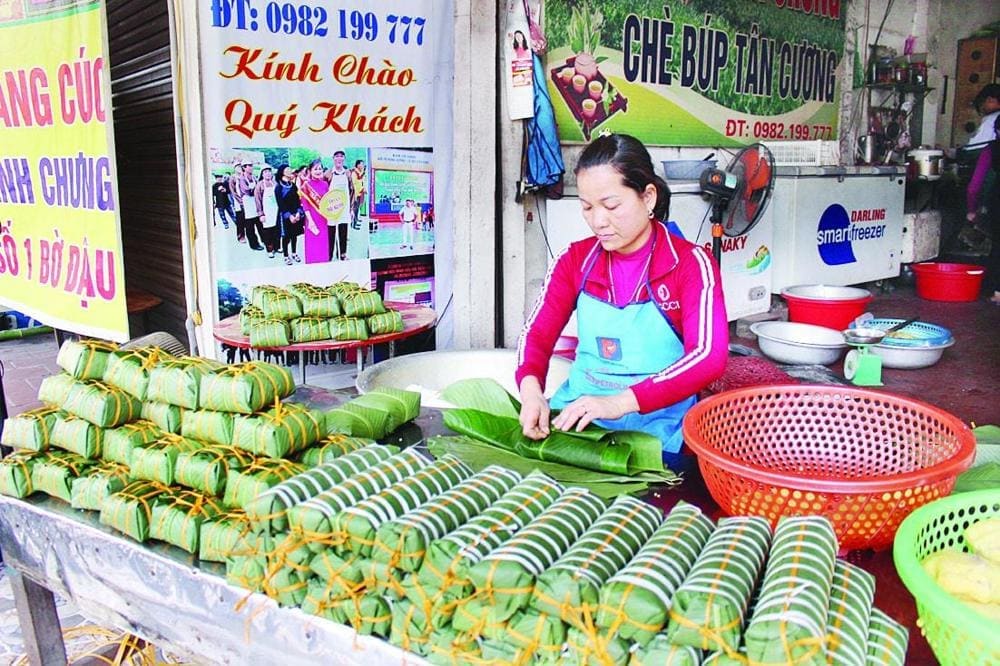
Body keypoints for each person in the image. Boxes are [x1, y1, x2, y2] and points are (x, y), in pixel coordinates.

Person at [515, 133, 728, 469]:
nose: (598, 220)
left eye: (611, 205)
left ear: (648, 197)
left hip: (660, 434)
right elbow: (536, 336)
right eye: (586, 207)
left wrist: (618, 403)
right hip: (578, 427)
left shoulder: (690, 264)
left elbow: (708, 357)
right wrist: (531, 393)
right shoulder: (575, 261)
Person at [966, 113, 1000, 305]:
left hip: (997, 202)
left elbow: (974, 186)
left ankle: (997, 292)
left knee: (998, 247)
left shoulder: (991, 150)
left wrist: (972, 210)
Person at [299, 159, 332, 263]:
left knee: (323, 244)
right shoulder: (305, 186)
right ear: (310, 171)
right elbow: (305, 206)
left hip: (323, 219)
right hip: (312, 219)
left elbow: (328, 201)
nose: (318, 171)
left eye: (320, 169)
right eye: (315, 169)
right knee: (312, 246)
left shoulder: (325, 184)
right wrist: (311, 221)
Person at [327, 150, 355, 259]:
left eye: (341, 156)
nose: (339, 158)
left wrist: (351, 209)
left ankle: (343, 254)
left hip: (344, 208)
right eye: (337, 156)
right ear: (333, 159)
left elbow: (352, 191)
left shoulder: (348, 173)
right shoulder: (328, 174)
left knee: (343, 232)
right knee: (331, 233)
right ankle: (329, 255)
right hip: (331, 208)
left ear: (344, 159)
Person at [274, 164, 304, 265]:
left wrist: (298, 213)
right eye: (287, 169)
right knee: (286, 236)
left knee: (294, 235)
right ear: (282, 172)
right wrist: (289, 216)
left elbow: (298, 201)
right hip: (285, 215)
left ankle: (294, 253)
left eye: (289, 168)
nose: (289, 170)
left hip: (295, 213)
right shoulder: (278, 188)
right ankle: (286, 255)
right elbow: (280, 204)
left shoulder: (293, 185)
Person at [965, 84, 1000, 152]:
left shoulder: (992, 119)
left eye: (982, 103)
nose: (982, 109)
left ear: (990, 100)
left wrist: (955, 153)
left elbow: (974, 149)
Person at [237, 162, 264, 250]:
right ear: (244, 167)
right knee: (250, 227)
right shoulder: (242, 179)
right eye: (249, 166)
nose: (251, 167)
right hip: (248, 205)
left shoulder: (254, 177)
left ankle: (265, 241)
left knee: (260, 224)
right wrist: (255, 190)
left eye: (252, 166)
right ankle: (254, 244)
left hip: (255, 203)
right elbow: (247, 191)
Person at [254, 166, 279, 258]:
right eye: (265, 172)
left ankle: (277, 247)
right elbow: (258, 200)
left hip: (275, 211)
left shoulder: (275, 183)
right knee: (267, 231)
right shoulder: (260, 185)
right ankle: (270, 249)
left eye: (269, 171)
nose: (268, 173)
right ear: (262, 174)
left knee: (276, 230)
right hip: (266, 212)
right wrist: (261, 214)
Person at [350, 159, 366, 231]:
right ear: (358, 165)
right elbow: (354, 185)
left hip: (360, 193)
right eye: (361, 164)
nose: (362, 165)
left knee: (357, 209)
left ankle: (355, 222)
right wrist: (355, 195)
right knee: (354, 209)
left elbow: (361, 182)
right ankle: (353, 224)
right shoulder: (354, 173)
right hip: (356, 194)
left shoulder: (359, 173)